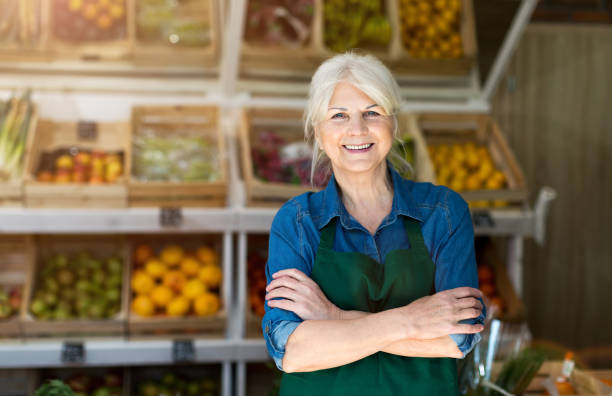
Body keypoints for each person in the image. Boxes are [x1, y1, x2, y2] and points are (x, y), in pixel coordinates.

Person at [262, 52, 485, 396]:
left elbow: (458, 337)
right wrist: (411, 321)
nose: (357, 130)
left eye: (372, 113)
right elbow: (292, 350)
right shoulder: (297, 221)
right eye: (339, 116)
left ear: (393, 124)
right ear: (319, 133)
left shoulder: (443, 212)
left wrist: (333, 317)